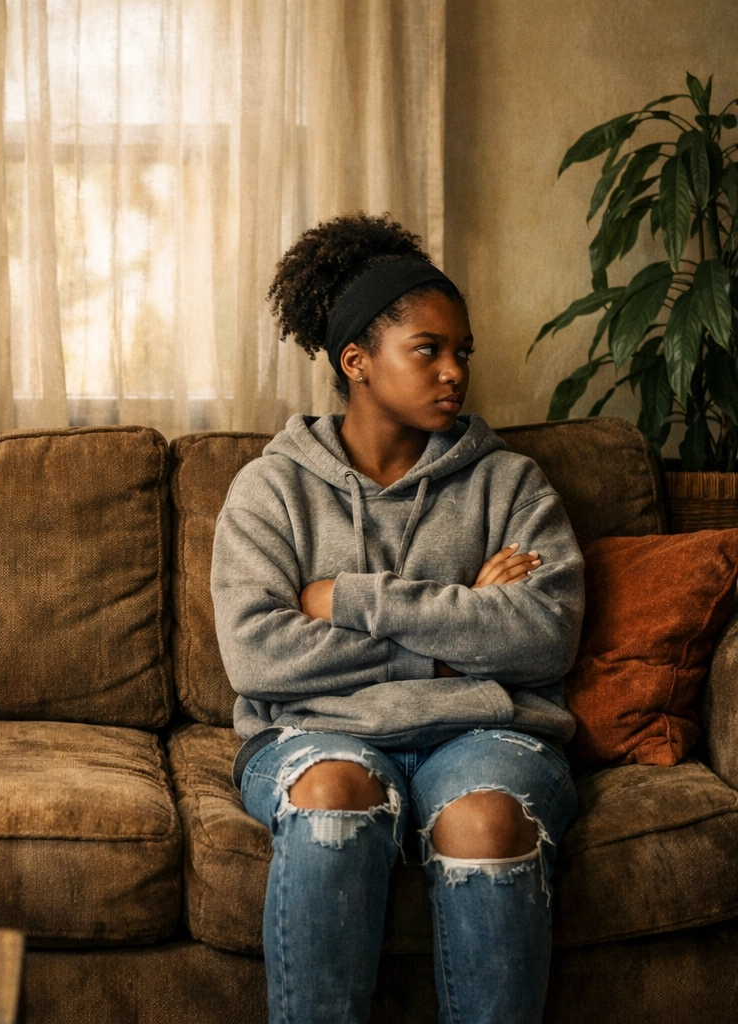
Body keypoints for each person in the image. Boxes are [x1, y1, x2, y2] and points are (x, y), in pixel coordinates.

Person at [211, 213, 584, 1024]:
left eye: (463, 353)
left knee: (486, 818)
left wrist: (348, 598)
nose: (455, 372)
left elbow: (544, 635)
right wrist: (454, 647)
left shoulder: (510, 484)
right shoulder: (270, 491)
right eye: (429, 350)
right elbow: (258, 657)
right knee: (333, 795)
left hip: (486, 734)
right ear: (358, 363)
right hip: (316, 731)